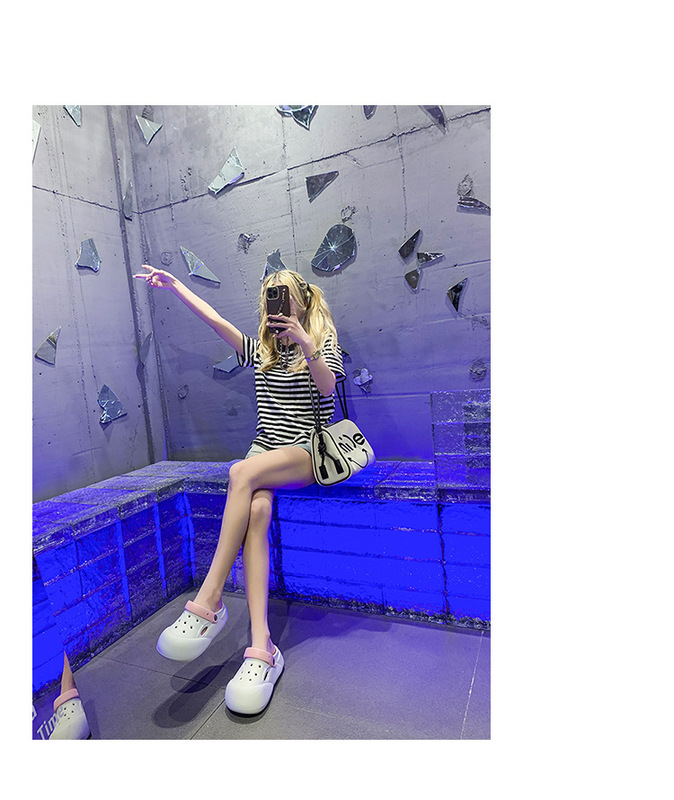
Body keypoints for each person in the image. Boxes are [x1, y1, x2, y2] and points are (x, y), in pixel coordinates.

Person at [133, 264, 345, 714]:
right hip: (263, 449)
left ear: (302, 300)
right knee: (258, 511)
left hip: (304, 451)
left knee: (239, 474)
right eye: (270, 295)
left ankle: (209, 599)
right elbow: (214, 319)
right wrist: (176, 285)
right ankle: (262, 647)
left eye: (283, 294)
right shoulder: (260, 349)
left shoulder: (321, 339)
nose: (276, 302)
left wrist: (307, 344)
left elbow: (328, 389)